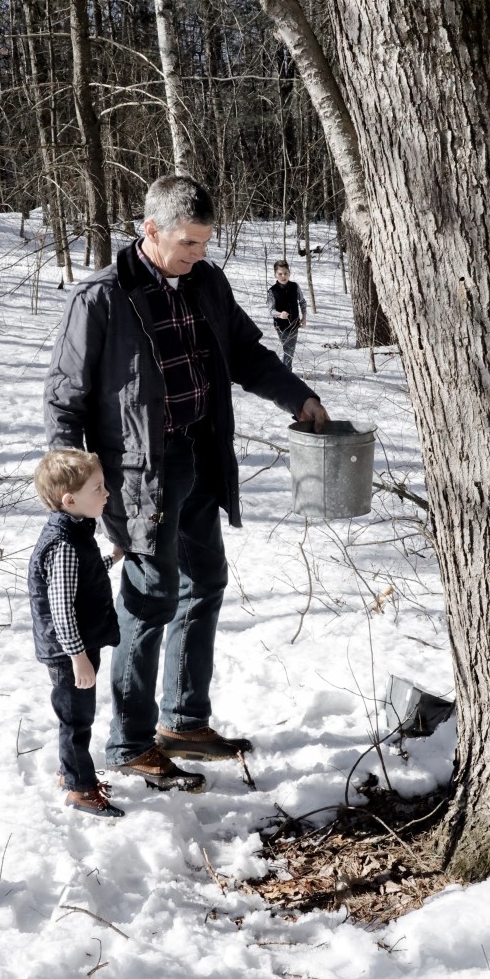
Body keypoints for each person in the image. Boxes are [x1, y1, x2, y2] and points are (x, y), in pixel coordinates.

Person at [44, 173, 329, 794]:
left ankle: (185, 722)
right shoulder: (102, 298)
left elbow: (249, 354)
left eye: (204, 242)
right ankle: (131, 741)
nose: (197, 254)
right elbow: (65, 401)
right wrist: (73, 489)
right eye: (188, 243)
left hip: (203, 455)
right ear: (150, 230)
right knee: (149, 600)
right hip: (139, 472)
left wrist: (297, 396)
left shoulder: (207, 283)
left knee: (207, 582)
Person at [28, 449, 130, 818]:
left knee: (76, 716)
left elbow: (80, 580)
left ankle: (69, 772)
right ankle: (79, 789)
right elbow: (61, 607)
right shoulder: (65, 544)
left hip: (78, 647)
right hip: (70, 651)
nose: (106, 493)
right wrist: (77, 657)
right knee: (76, 720)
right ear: (70, 500)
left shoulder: (73, 531)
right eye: (98, 488)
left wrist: (112, 559)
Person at [267, 260, 307, 372]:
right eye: (280, 274)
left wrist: (304, 317)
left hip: (294, 323)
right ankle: (286, 372)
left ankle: (285, 372)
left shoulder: (295, 286)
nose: (283, 276)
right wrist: (280, 314)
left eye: (286, 273)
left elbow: (302, 302)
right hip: (280, 325)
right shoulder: (272, 291)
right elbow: (271, 310)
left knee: (290, 350)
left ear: (289, 273)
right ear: (275, 275)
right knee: (288, 349)